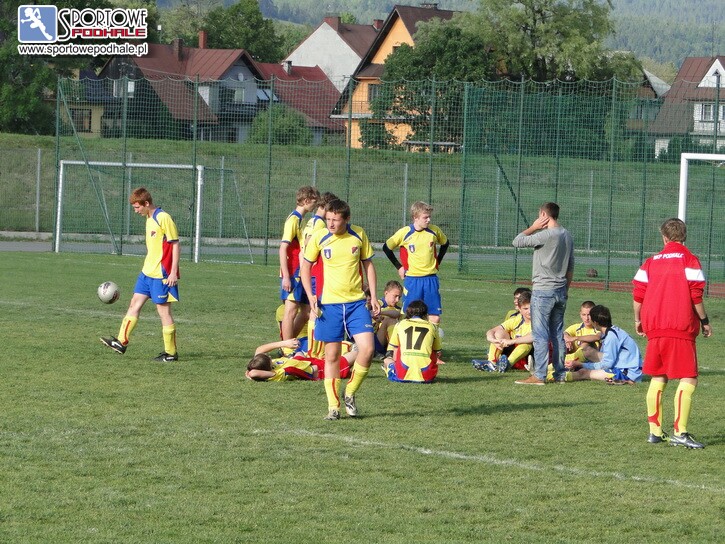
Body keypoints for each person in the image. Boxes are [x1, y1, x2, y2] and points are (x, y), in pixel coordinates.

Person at [633, 218, 713, 449]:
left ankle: (655, 432)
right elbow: (696, 295)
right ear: (684, 236)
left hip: (654, 326)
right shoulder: (690, 259)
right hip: (679, 326)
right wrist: (704, 321)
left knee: (659, 376)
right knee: (689, 377)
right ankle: (680, 431)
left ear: (664, 237)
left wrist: (638, 320)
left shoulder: (650, 262)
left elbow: (638, 295)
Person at [301, 198, 380, 420]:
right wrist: (310, 295)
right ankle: (333, 407)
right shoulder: (320, 237)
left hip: (356, 304)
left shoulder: (358, 234)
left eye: (335, 220)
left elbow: (368, 265)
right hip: (329, 305)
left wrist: (374, 296)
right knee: (332, 355)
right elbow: (305, 267)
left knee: (368, 349)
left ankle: (350, 393)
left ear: (347, 219)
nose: (331, 224)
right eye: (328, 219)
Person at [101, 187, 180, 361]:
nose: (136, 211)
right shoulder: (149, 218)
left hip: (161, 275)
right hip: (146, 273)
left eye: (137, 207)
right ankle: (121, 342)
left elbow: (175, 244)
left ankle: (171, 353)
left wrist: (173, 272)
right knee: (134, 304)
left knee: (164, 312)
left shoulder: (163, 218)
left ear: (146, 203)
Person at [512, 202, 574, 385]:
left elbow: (517, 241)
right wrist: (566, 289)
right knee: (557, 334)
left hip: (543, 291)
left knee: (540, 334)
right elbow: (570, 266)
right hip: (561, 290)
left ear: (544, 215)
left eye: (539, 215)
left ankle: (539, 375)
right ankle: (560, 374)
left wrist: (533, 227)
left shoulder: (545, 235)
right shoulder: (567, 235)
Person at [383, 201, 449, 324]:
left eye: (429, 217)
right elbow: (387, 247)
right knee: (408, 316)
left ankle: (431, 337)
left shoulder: (434, 231)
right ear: (415, 217)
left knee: (434, 317)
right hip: (413, 280)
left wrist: (437, 261)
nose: (428, 220)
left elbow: (445, 243)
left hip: (431, 279)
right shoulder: (405, 232)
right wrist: (399, 267)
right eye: (425, 217)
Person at [561, 305, 642, 384]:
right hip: (623, 364)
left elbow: (607, 364)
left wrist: (582, 365)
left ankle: (558, 376)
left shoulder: (611, 337)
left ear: (595, 323)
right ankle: (564, 365)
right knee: (587, 351)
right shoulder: (611, 331)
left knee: (584, 372)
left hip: (627, 373)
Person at [279, 185, 319, 341]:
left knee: (306, 311)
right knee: (290, 311)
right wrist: (286, 276)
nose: (315, 206)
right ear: (306, 200)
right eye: (314, 202)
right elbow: (283, 248)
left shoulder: (300, 219)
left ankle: (288, 344)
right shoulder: (293, 219)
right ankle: (286, 348)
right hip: (293, 271)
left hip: (299, 271)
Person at [472, 290, 533, 372]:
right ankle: (492, 363)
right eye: (525, 308)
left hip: (528, 357)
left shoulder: (540, 322)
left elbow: (534, 336)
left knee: (526, 343)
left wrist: (511, 341)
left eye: (532, 308)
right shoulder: (517, 319)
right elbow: (492, 331)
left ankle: (507, 364)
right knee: (499, 333)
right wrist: (492, 339)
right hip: (510, 353)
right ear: (519, 309)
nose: (529, 311)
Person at [383, 300, 443, 383]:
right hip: (427, 375)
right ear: (425, 314)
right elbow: (437, 351)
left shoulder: (400, 324)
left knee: (387, 360)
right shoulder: (432, 326)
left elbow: (395, 349)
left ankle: (394, 372)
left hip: (403, 373)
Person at [245, 338, 356, 382]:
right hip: (320, 369)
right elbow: (254, 373)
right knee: (359, 354)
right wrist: (250, 374)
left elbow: (259, 350)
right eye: (269, 358)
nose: (270, 357)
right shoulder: (276, 374)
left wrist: (285, 343)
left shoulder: (268, 363)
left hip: (306, 360)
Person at [372, 280, 403, 356]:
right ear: (386, 293)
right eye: (395, 296)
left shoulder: (398, 308)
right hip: (374, 341)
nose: (397, 300)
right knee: (389, 320)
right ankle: (392, 351)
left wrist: (381, 313)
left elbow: (397, 314)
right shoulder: (377, 304)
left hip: (386, 342)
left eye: (399, 297)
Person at [564, 300, 601, 364]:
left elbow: (597, 337)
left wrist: (575, 338)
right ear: (580, 314)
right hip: (574, 363)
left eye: (589, 315)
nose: (586, 318)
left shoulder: (599, 328)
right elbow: (565, 333)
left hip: (591, 363)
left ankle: (561, 361)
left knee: (585, 344)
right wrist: (567, 340)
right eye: (584, 315)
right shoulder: (577, 327)